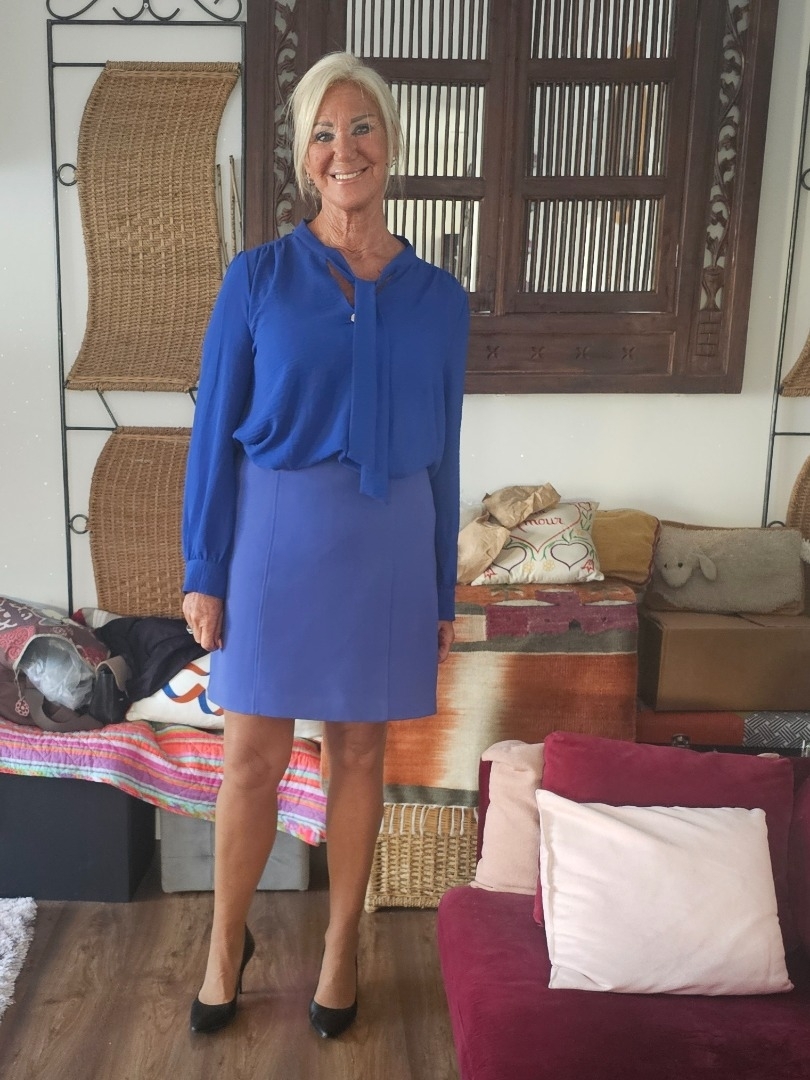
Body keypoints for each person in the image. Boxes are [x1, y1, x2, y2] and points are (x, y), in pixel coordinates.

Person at [181, 50, 469, 1038]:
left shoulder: (439, 298)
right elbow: (213, 434)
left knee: (360, 757)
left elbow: (447, 454)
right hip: (274, 543)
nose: (344, 149)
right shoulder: (258, 278)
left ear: (390, 142)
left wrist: (441, 593)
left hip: (391, 547)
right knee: (251, 761)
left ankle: (343, 946)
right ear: (304, 157)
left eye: (362, 127)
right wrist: (204, 569)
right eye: (323, 133)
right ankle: (225, 945)